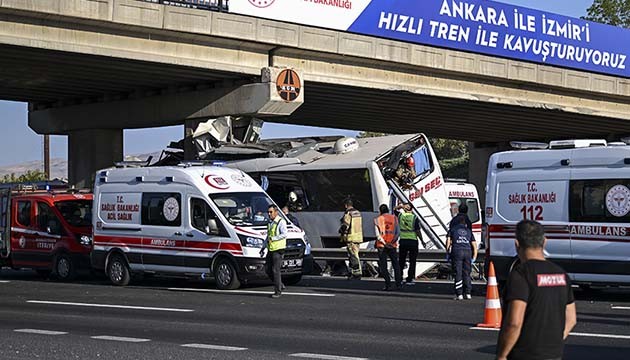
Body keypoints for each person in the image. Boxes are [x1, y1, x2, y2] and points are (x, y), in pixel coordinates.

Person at [496, 220, 577, 360]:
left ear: (517, 244)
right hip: (554, 355)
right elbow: (571, 319)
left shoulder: (521, 274)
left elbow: (514, 322)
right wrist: (553, 341)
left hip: (523, 354)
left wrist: (502, 356)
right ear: (544, 242)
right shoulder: (561, 274)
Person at [445, 216, 477, 300]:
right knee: (467, 272)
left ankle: (459, 294)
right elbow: (474, 245)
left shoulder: (453, 229)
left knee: (458, 272)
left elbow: (448, 241)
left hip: (457, 251)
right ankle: (468, 293)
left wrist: (448, 252)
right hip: (467, 251)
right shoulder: (468, 231)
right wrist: (474, 256)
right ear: (465, 223)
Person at [260, 205, 288, 298]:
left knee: (276, 270)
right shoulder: (270, 222)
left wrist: (274, 238)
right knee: (267, 269)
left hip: (278, 249)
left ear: (276, 212)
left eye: (271, 212)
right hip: (271, 249)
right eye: (268, 212)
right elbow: (268, 236)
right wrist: (263, 247)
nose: (269, 214)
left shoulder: (281, 222)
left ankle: (278, 291)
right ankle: (279, 284)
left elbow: (284, 234)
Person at [375, 204, 402, 291]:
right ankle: (398, 284)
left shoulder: (377, 220)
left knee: (383, 266)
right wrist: (392, 242)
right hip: (392, 245)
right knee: (396, 265)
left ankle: (388, 284)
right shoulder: (394, 218)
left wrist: (385, 243)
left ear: (380, 211)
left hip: (382, 246)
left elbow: (378, 235)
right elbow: (398, 233)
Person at [396, 203, 423, 284]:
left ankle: (399, 278)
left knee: (401, 260)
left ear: (404, 209)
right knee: (412, 261)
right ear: (412, 209)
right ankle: (409, 279)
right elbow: (418, 231)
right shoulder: (414, 217)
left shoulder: (401, 216)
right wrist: (422, 240)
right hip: (413, 241)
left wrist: (400, 206)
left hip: (403, 240)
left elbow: (394, 210)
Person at [339, 198, 363, 279]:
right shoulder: (357, 212)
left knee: (353, 256)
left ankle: (356, 273)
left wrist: (341, 231)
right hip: (358, 237)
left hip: (351, 237)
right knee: (356, 254)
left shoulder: (348, 213)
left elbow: (345, 225)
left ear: (346, 205)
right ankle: (355, 272)